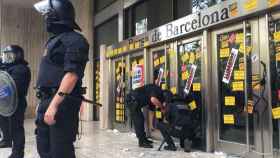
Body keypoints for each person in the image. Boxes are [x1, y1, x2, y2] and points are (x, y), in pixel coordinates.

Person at [33, 0, 89, 158]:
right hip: (46, 99)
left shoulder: (76, 40)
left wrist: (54, 105)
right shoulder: (53, 41)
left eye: (47, 15)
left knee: (60, 151)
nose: (45, 19)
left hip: (62, 102)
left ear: (56, 15)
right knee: (44, 148)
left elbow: (72, 75)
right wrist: (43, 104)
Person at [0, 45, 31, 158]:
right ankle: (6, 140)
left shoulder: (21, 69)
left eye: (9, 56)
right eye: (5, 55)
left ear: (17, 56)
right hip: (4, 102)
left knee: (16, 127)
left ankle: (18, 153)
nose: (6, 58)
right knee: (3, 122)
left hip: (16, 102)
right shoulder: (6, 67)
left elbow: (13, 88)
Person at [126, 84, 166, 148]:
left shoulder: (154, 97)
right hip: (132, 99)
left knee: (141, 119)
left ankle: (144, 139)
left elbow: (151, 112)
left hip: (135, 101)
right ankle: (141, 142)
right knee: (139, 121)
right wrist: (162, 107)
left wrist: (151, 125)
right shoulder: (157, 89)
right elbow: (153, 99)